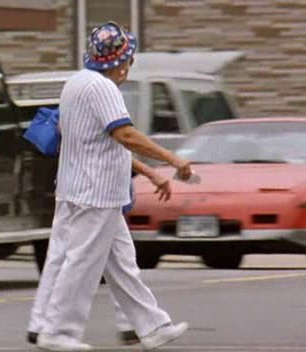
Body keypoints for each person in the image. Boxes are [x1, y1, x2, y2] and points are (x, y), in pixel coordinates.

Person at [34, 21, 193, 351]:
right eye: (129, 60)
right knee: (82, 261)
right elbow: (124, 134)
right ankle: (58, 331)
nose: (129, 68)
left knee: (121, 263)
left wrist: (149, 173)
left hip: (77, 186)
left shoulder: (75, 84)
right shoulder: (103, 89)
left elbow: (93, 140)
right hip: (98, 192)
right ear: (120, 63)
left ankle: (152, 326)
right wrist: (172, 160)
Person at [27, 158, 171, 346]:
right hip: (94, 190)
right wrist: (156, 170)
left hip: (88, 186)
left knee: (119, 260)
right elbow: (119, 136)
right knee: (79, 260)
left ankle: (144, 325)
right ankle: (53, 330)